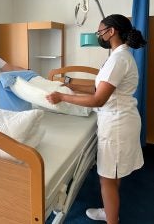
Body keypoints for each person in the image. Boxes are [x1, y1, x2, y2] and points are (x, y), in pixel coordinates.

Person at [46, 14, 146, 224]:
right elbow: (96, 87)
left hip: (117, 125)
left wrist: (63, 97)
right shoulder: (117, 57)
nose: (98, 35)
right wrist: (69, 84)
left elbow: (98, 99)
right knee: (113, 173)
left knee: (107, 179)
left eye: (100, 31)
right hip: (120, 119)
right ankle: (109, 210)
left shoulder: (119, 59)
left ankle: (112, 219)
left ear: (111, 31)